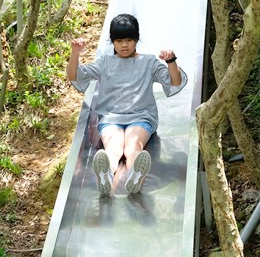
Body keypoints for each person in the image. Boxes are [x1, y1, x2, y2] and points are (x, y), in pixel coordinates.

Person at [67, 13, 187, 196]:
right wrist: (75, 54)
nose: (124, 45)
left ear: (136, 40)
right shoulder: (106, 63)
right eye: (119, 40)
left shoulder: (148, 62)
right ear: (113, 42)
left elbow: (175, 81)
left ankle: (135, 175)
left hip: (140, 116)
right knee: (113, 147)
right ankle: (106, 175)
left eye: (129, 40)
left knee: (133, 145)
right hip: (112, 118)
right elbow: (74, 76)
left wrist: (171, 61)